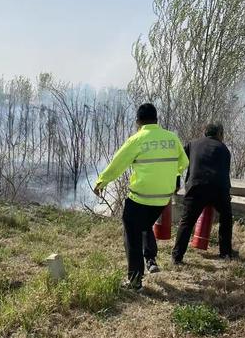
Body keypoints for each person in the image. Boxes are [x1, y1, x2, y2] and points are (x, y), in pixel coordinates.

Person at [94, 103, 189, 291]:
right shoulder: (172, 138)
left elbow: (117, 163)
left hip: (140, 197)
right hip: (163, 199)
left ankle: (135, 281)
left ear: (138, 121)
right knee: (145, 225)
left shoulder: (137, 139)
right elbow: (184, 162)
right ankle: (150, 260)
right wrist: (174, 178)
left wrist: (102, 181)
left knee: (132, 233)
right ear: (156, 119)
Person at [172, 122, 235, 265]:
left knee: (187, 222)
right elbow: (225, 175)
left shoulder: (193, 144)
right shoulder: (224, 149)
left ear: (204, 132)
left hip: (196, 187)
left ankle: (177, 257)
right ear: (220, 134)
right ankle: (225, 253)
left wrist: (176, 183)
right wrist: (226, 195)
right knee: (226, 218)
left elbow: (178, 162)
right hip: (219, 189)